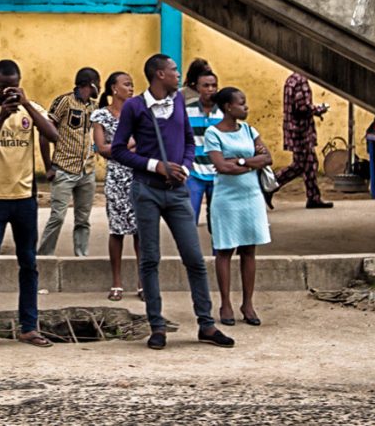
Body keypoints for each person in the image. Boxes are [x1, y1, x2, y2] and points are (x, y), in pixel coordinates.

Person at [111, 54, 234, 350]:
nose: (178, 74)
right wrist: (156, 165)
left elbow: (190, 142)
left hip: (178, 190)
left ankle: (206, 324)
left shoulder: (178, 101)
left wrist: (186, 169)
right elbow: (118, 150)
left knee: (194, 258)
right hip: (147, 190)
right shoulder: (134, 107)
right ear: (158, 75)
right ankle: (157, 326)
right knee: (150, 259)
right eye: (173, 70)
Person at [0, 59, 58, 349]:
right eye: (3, 85)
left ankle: (29, 327)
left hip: (24, 197)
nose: (9, 91)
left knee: (29, 264)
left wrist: (27, 105)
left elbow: (53, 135)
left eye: (13, 85)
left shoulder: (31, 109)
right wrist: (1, 117)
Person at [205, 87, 273, 326]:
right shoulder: (213, 133)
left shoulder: (249, 130)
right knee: (225, 250)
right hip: (226, 199)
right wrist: (251, 162)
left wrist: (241, 161)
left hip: (252, 196)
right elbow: (222, 167)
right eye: (241, 103)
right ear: (228, 107)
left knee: (249, 250)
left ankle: (248, 303)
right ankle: (225, 303)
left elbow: (268, 158)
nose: (246, 107)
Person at [36, 67, 100, 257]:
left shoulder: (93, 107)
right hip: (63, 169)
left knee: (83, 219)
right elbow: (45, 133)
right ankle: (44, 257)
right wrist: (48, 166)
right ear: (91, 84)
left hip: (86, 171)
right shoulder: (64, 102)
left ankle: (81, 256)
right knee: (57, 216)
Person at [91, 71, 141, 302]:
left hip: (138, 174)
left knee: (141, 231)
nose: (131, 88)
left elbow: (147, 141)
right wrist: (129, 144)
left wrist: (118, 148)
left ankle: (143, 283)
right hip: (116, 178)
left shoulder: (138, 112)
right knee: (117, 231)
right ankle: (117, 282)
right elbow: (101, 148)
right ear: (114, 89)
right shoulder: (101, 115)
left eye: (132, 85)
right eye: (126, 84)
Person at [271, 72, 332, 209]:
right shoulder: (301, 81)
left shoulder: (292, 80)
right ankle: (270, 185)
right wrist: (319, 109)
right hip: (301, 131)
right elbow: (302, 108)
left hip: (294, 129)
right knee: (301, 165)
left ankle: (313, 197)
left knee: (309, 164)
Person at [186, 69, 222, 225]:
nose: (210, 89)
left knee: (217, 222)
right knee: (189, 219)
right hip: (193, 173)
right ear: (197, 88)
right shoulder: (187, 110)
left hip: (219, 174)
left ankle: (217, 251)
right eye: (206, 85)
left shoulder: (224, 111)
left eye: (214, 85)